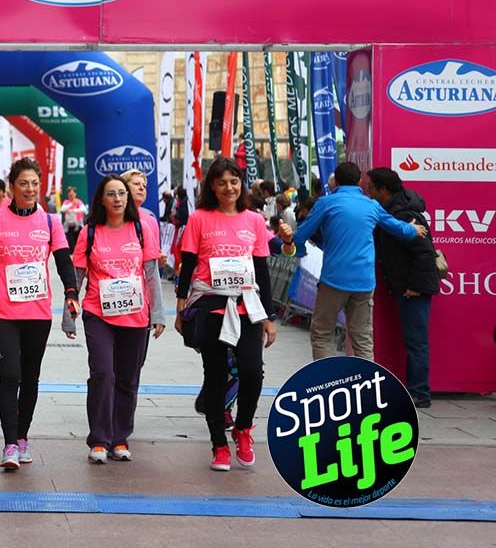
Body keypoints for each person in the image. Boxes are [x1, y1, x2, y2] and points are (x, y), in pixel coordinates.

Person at [0, 158, 77, 472]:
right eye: (23, 183)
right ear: (12, 187)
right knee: (10, 375)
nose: (30, 189)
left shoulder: (50, 222)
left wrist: (71, 292)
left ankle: (22, 437)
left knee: (31, 377)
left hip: (38, 312)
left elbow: (64, 261)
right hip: (3, 311)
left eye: (35, 183)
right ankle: (10, 442)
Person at [175, 157, 277, 472]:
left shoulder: (254, 221)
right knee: (216, 377)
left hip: (246, 307)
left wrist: (269, 317)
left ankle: (243, 428)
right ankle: (219, 444)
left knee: (251, 373)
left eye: (234, 181)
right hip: (209, 306)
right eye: (222, 182)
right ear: (212, 186)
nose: (228, 188)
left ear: (240, 184)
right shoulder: (199, 218)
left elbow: (262, 269)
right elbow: (189, 263)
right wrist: (181, 304)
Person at [277, 162, 426, 362]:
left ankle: (329, 385)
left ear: (336, 182)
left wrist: (299, 251)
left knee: (322, 333)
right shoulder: (371, 205)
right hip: (364, 282)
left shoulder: (326, 203)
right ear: (359, 182)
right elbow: (398, 228)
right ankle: (366, 387)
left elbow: (302, 234)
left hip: (333, 280)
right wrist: (412, 229)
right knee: (363, 339)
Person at [69, 175, 166, 464]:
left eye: (121, 193)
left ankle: (120, 437)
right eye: (111, 194)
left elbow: (151, 275)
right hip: (98, 313)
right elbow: (77, 277)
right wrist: (68, 316)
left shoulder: (141, 229)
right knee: (103, 373)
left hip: (135, 315)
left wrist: (158, 313)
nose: (118, 199)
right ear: (102, 199)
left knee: (127, 378)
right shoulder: (89, 233)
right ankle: (99, 439)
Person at [364, 166, 440, 408]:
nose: (368, 190)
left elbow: (424, 253)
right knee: (413, 340)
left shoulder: (405, 214)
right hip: (405, 286)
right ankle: (415, 389)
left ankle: (420, 392)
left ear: (383, 189)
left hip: (413, 288)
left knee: (416, 341)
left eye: (371, 186)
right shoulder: (393, 210)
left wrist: (415, 286)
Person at [60, 186, 87, 252]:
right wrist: (71, 204)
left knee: (78, 240)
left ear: (75, 194)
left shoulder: (78, 201)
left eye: (72, 194)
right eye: (69, 194)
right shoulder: (66, 202)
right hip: (69, 225)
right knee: (70, 241)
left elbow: (84, 209)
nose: (71, 196)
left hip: (78, 224)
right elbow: (62, 209)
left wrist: (73, 210)